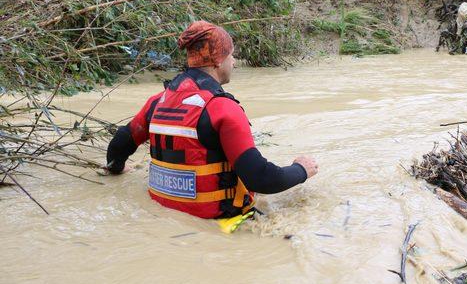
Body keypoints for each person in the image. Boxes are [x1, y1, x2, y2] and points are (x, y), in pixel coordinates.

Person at [106, 20, 318, 219]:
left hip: (161, 211)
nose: (233, 63)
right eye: (231, 55)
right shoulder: (222, 108)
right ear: (218, 60)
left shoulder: (157, 102)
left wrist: (117, 169)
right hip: (218, 220)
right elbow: (261, 178)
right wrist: (301, 170)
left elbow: (119, 145)